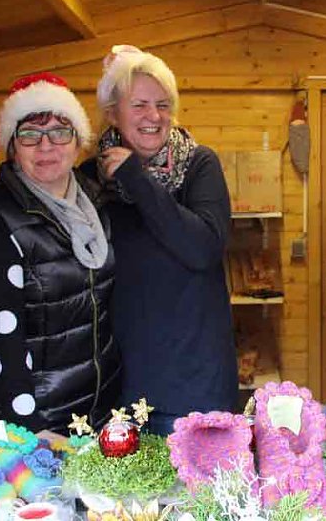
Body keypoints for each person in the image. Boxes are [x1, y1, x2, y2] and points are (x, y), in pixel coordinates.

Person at [80, 45, 237, 435]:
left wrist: (136, 178)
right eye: (140, 105)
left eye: (163, 105)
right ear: (112, 112)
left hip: (196, 382)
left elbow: (201, 249)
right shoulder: (89, 178)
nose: (154, 116)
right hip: (121, 386)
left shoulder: (199, 165)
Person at [0, 72, 121, 432]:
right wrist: (30, 433)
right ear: (13, 147)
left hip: (99, 411)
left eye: (60, 132)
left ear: (78, 142)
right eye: (30, 134)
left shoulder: (96, 201)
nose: (46, 147)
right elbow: (4, 338)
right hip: (34, 425)